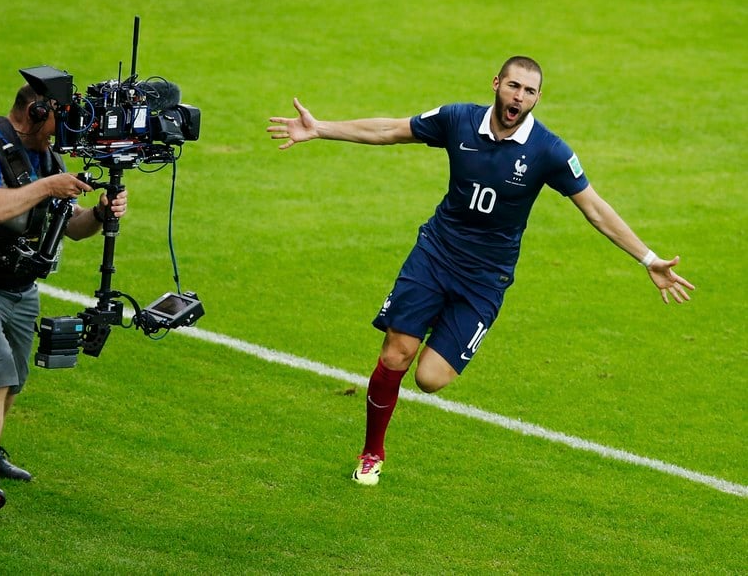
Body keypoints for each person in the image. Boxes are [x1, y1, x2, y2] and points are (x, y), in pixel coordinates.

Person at [267, 56, 695, 486]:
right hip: (435, 255)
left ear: (537, 98)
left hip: (485, 279)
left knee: (430, 379)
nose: (519, 97)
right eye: (513, 86)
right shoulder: (458, 120)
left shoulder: (549, 150)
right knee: (396, 352)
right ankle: (371, 452)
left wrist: (648, 259)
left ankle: (439, 324)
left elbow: (596, 209)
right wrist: (321, 128)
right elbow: (390, 130)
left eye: (529, 91)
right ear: (496, 84)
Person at [0, 69, 128, 513]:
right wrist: (48, 186)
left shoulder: (47, 155)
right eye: (67, 118)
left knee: (15, 376)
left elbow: (72, 228)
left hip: (19, 284)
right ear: (37, 113)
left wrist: (97, 213)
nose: (75, 130)